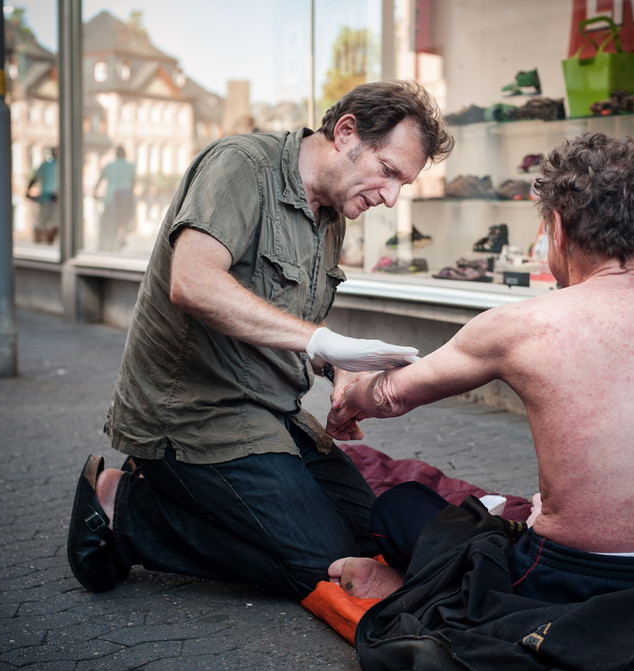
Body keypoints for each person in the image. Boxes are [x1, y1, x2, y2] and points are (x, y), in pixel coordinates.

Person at [326, 131, 634, 601]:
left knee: (400, 508)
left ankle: (418, 584)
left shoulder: (522, 325)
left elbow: (390, 396)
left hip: (580, 578)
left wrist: (349, 395)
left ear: (558, 227)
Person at [66, 80, 454, 597]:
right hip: (192, 417)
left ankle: (191, 499)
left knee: (372, 538)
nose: (390, 197)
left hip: (273, 415)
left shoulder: (333, 214)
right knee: (326, 566)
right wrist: (322, 341)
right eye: (388, 172)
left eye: (402, 183)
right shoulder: (242, 166)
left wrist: (342, 375)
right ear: (345, 133)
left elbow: (282, 320)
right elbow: (193, 281)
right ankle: (129, 511)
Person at [95, 146, 136, 252]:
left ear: (116, 154)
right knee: (123, 220)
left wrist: (95, 191)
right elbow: (133, 183)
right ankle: (121, 236)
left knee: (108, 221)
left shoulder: (110, 166)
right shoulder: (130, 166)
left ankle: (107, 244)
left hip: (111, 197)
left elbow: (100, 180)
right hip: (125, 196)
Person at [26, 147, 58, 244]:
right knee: (53, 221)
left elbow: (34, 178)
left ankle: (42, 239)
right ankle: (47, 239)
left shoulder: (45, 165)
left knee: (43, 221)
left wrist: (27, 190)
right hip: (54, 197)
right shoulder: (61, 165)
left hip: (46, 197)